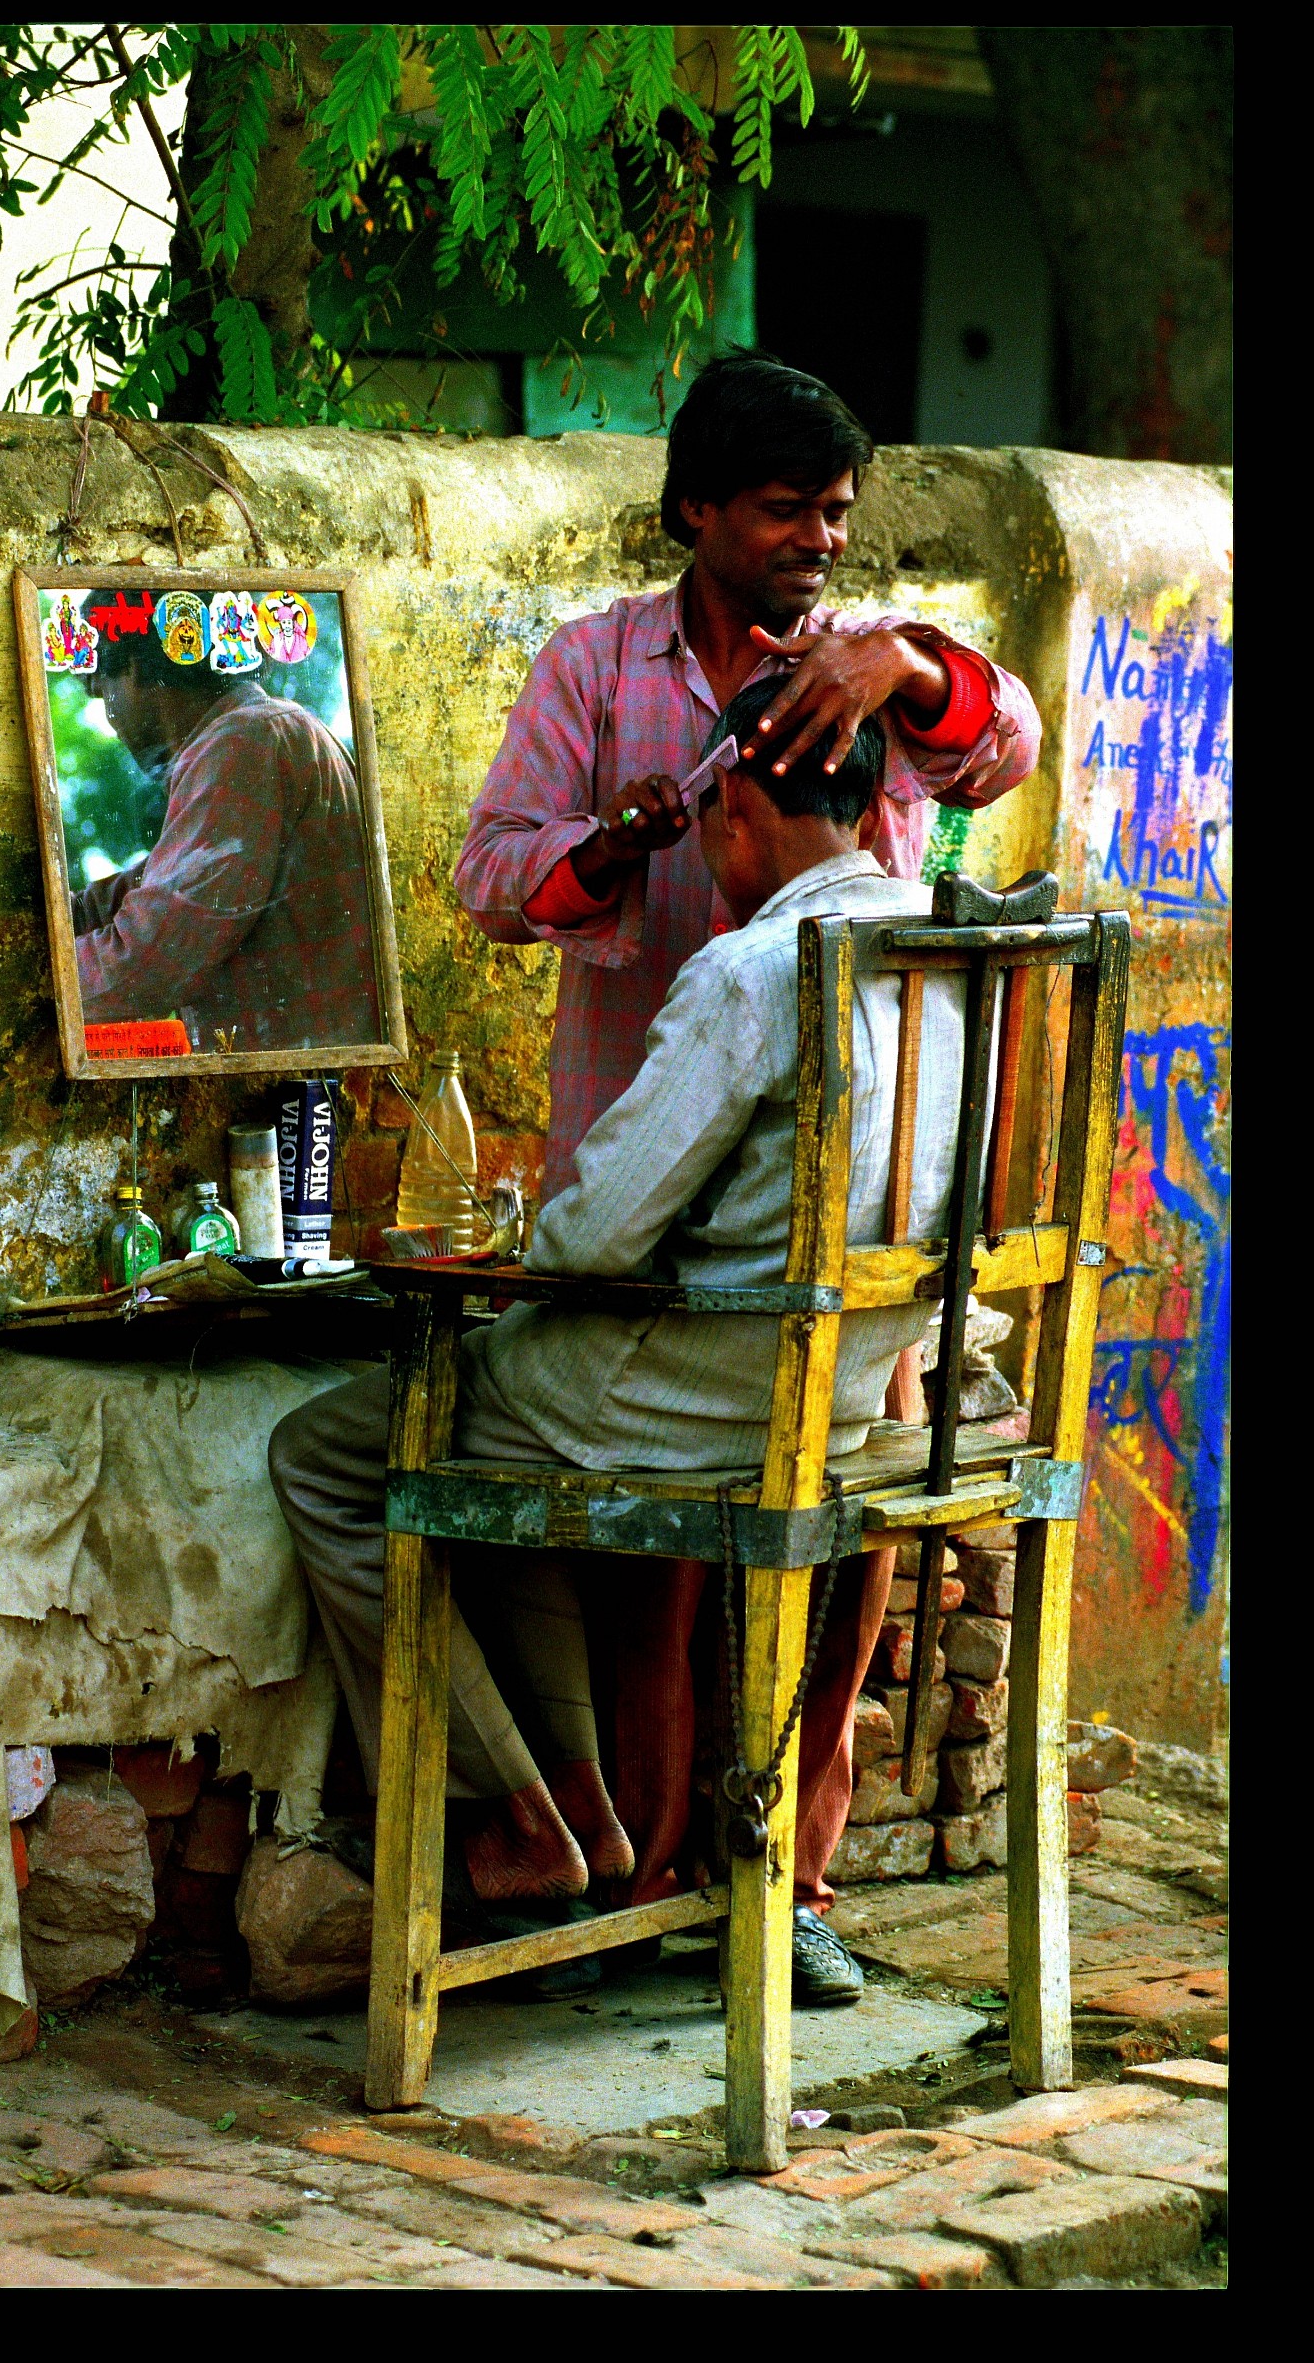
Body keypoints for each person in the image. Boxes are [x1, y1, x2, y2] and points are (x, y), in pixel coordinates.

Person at [450, 349, 1043, 1947]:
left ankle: (791, 1876)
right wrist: (612, 845)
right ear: (694, 509)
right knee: (664, 1558)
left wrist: (904, 672)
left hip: (837, 1198)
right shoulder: (594, 668)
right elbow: (490, 880)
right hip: (650, 1140)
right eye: (785, 511)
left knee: (831, 1545)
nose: (818, 543)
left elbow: (1006, 747)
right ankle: (654, 1875)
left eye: (836, 514)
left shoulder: (874, 659)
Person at [270, 708, 973, 2002]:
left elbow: (593, 1239)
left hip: (682, 1399)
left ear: (739, 817)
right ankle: (578, 1821)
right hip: (843, 1400)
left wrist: (506, 1241)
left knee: (325, 1449)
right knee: (484, 1453)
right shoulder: (954, 954)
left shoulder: (751, 971)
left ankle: (518, 1816)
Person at [70, 606, 381, 1054]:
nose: (111, 720)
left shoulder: (244, 742)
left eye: (104, 695)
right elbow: (157, 888)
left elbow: (148, 961)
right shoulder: (262, 731)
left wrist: (31, 975)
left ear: (136, 668)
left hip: (301, 1091)